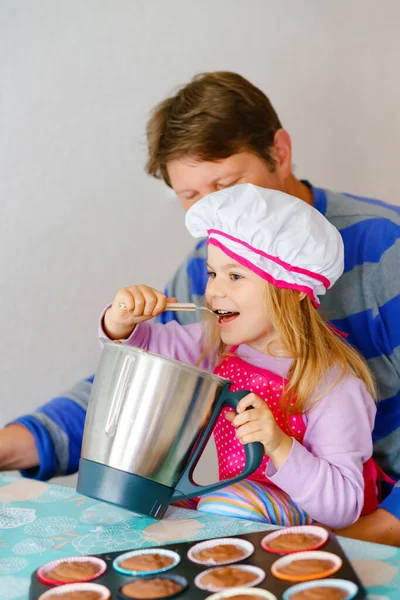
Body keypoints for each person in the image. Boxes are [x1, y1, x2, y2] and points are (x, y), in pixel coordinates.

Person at [1, 72, 399, 542]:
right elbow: (148, 376)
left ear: (280, 152)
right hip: (248, 507)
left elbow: (342, 499)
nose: (212, 214)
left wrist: (363, 537)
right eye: (190, 197)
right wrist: (122, 327)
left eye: (227, 184)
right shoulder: (207, 276)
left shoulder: (385, 254)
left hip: (353, 519)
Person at [100, 183, 377, 528]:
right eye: (213, 273)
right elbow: (141, 355)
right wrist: (121, 321)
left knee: (225, 505)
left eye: (235, 276)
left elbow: (344, 506)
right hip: (227, 500)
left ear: (292, 290)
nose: (213, 290)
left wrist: (278, 443)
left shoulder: (332, 385)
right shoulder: (215, 345)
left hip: (298, 523)